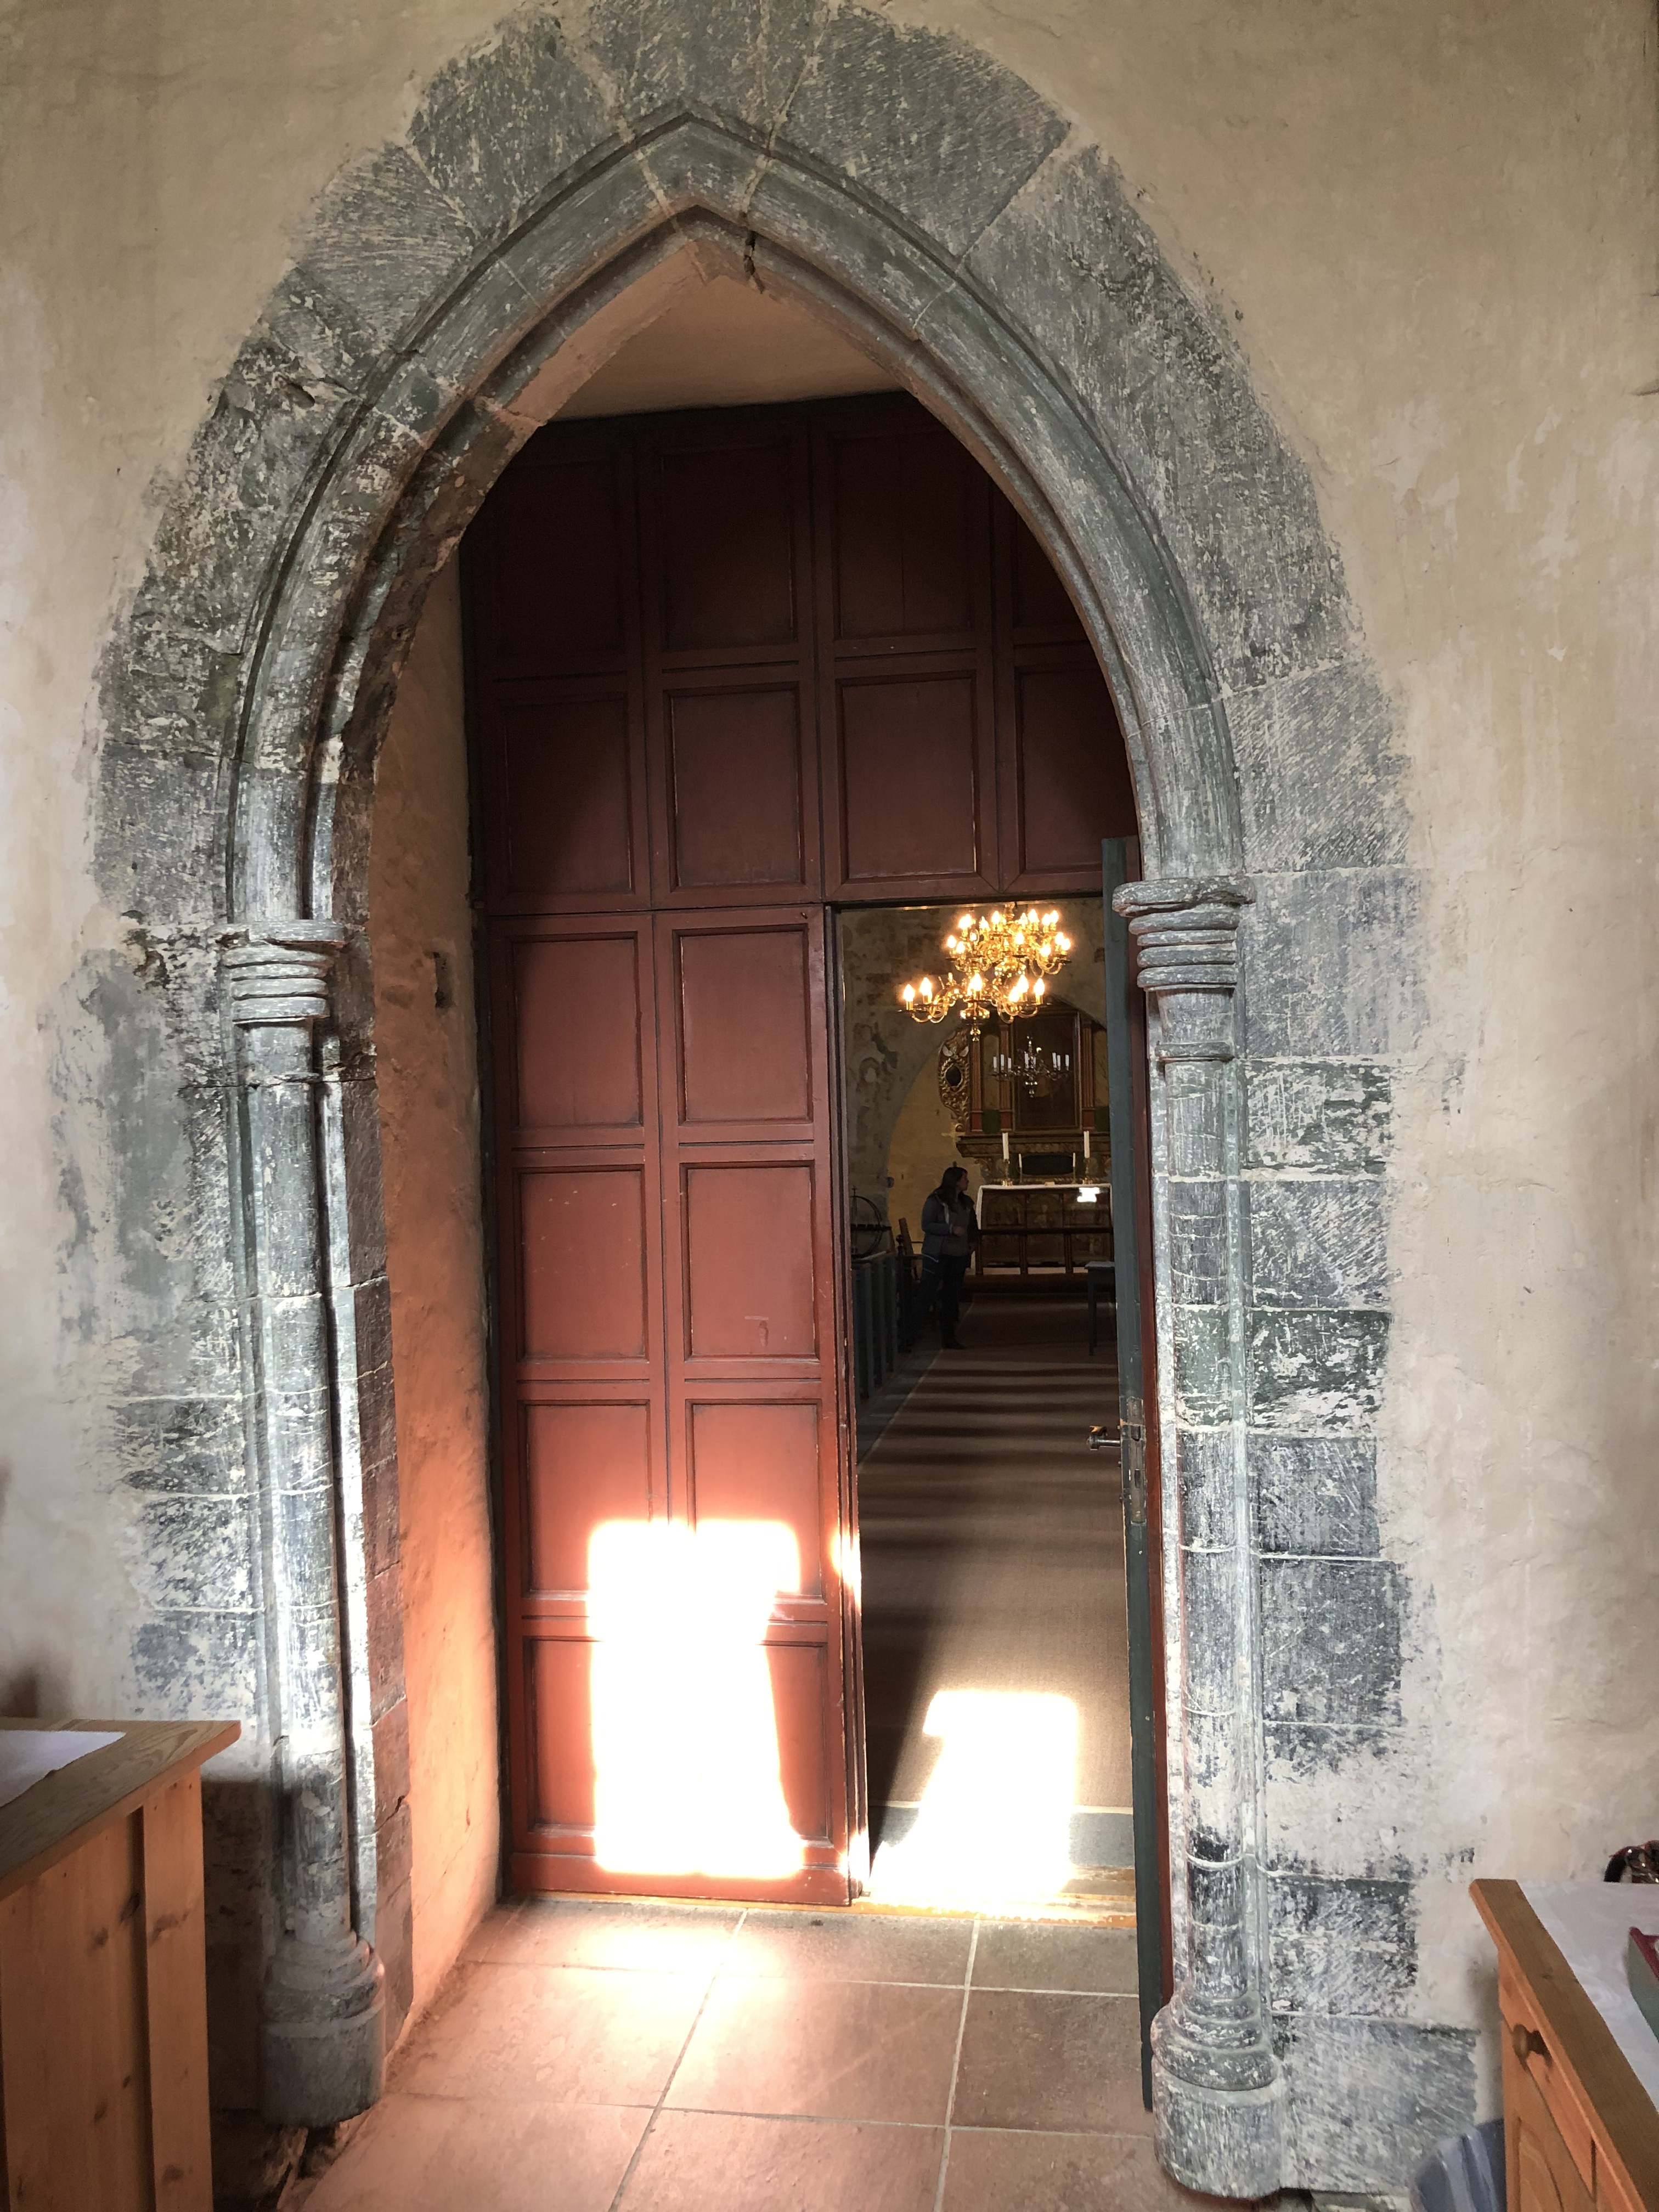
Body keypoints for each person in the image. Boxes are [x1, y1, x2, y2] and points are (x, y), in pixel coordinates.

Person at [913, 1163, 978, 1350]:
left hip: (958, 1255)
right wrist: (950, 1229)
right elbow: (927, 1225)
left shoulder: (966, 1202)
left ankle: (949, 1338)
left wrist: (972, 1241)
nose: (968, 1181)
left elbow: (972, 1224)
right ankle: (910, 1335)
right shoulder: (935, 1201)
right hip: (939, 1255)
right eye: (965, 1178)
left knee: (951, 1297)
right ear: (956, 1181)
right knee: (927, 1294)